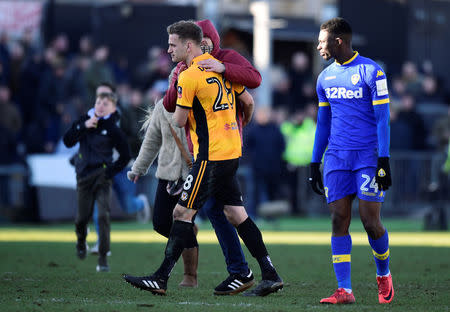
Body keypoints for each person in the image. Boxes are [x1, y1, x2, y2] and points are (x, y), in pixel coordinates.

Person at [123, 20, 283, 297]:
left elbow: (178, 117)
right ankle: (268, 273)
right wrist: (235, 128)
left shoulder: (189, 75)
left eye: (172, 45)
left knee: (181, 213)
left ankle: (161, 278)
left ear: (189, 45)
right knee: (235, 213)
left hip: (210, 156)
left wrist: (179, 95)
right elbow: (248, 101)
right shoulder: (220, 69)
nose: (168, 50)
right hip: (231, 152)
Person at [309, 17, 394, 304]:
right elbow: (323, 123)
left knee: (371, 222)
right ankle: (344, 289)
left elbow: (383, 120)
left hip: (368, 157)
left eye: (322, 41)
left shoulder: (372, 72)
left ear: (338, 41)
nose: (318, 46)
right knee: (338, 219)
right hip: (336, 158)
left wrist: (384, 160)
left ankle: (383, 274)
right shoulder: (324, 78)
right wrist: (314, 162)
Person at [63, 82, 131, 272]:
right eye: (99, 102)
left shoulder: (112, 128)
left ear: (113, 107)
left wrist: (109, 173)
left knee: (103, 216)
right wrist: (83, 127)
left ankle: (103, 258)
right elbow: (67, 141)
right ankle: (81, 240)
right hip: (83, 176)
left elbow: (125, 155)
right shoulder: (84, 119)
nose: (101, 106)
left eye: (105, 103)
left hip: (102, 177)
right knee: (81, 218)